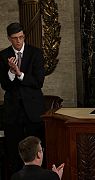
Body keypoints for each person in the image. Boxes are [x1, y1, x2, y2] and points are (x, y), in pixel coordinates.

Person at [0, 22, 45, 175]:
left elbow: (38, 82)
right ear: (9, 38)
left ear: (24, 36)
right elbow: (5, 85)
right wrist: (11, 73)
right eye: (15, 38)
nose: (18, 41)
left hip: (33, 111)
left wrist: (19, 73)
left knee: (36, 153)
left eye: (21, 37)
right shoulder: (3, 56)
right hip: (13, 112)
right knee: (14, 153)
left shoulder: (36, 53)